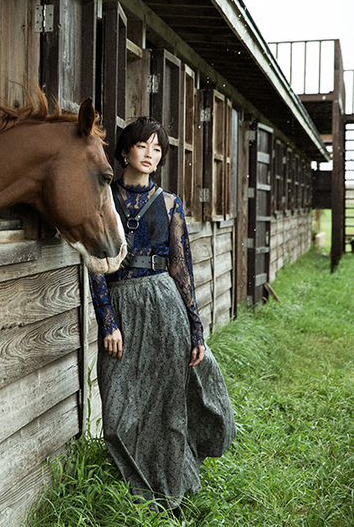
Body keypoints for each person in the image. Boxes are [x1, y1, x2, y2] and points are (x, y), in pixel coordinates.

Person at [91, 116, 236, 511]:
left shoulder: (170, 204)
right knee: (120, 407)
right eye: (143, 146)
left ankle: (170, 492)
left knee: (169, 403)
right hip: (121, 304)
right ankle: (136, 483)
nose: (150, 155)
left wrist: (195, 328)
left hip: (164, 303)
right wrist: (108, 321)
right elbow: (95, 261)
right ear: (124, 151)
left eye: (158, 149)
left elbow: (181, 267)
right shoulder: (104, 198)